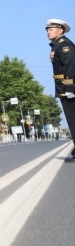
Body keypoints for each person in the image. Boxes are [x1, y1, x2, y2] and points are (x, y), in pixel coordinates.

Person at [47, 19, 75, 160]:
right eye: (47, 29)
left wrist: (70, 88)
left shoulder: (64, 45)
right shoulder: (57, 45)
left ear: (61, 30)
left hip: (68, 89)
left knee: (73, 120)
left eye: (51, 29)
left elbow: (70, 67)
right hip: (63, 88)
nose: (48, 31)